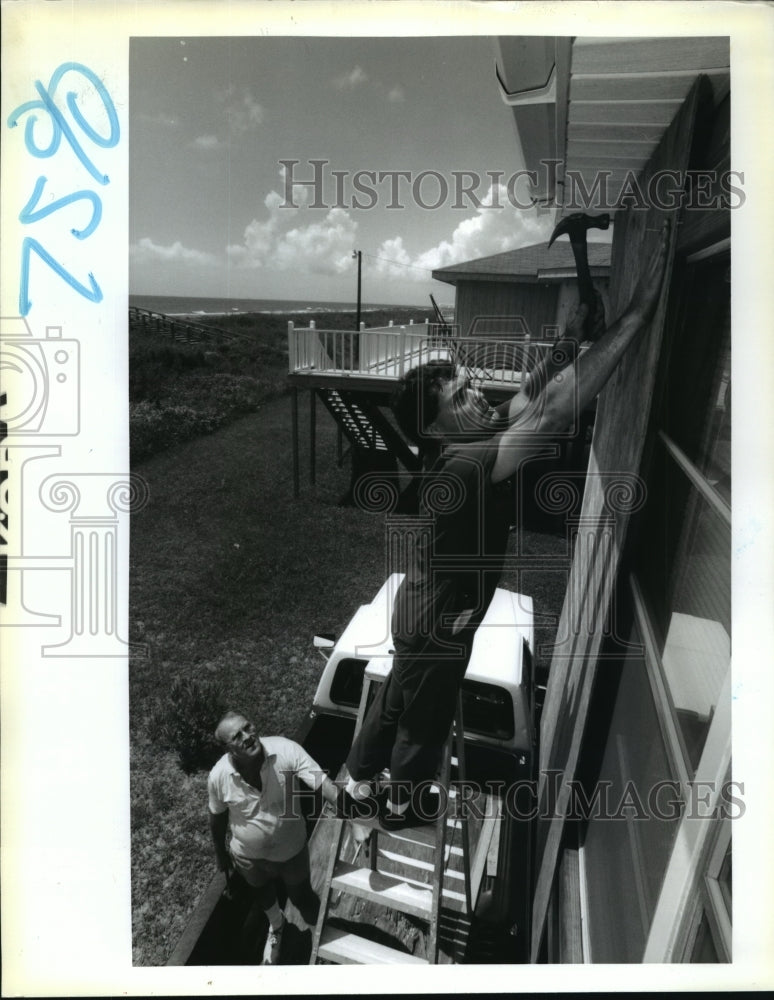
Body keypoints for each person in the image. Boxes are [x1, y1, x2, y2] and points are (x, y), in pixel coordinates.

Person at [341, 221, 671, 829]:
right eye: (462, 392)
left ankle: (358, 783)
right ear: (436, 425)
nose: (476, 393)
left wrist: (568, 344)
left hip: (421, 610)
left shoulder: (466, 437)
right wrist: (636, 317)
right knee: (423, 717)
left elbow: (523, 398)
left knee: (395, 699)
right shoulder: (468, 463)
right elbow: (549, 412)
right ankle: (400, 804)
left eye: (467, 383)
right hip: (439, 619)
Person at [208, 711, 338, 965]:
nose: (248, 736)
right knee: (262, 892)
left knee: (303, 897)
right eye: (237, 736)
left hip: (291, 852)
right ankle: (277, 927)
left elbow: (326, 786)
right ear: (227, 749)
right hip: (247, 856)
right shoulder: (218, 776)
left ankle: (322, 939)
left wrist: (354, 817)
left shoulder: (286, 750)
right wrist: (220, 854)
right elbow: (217, 817)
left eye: (248, 727)